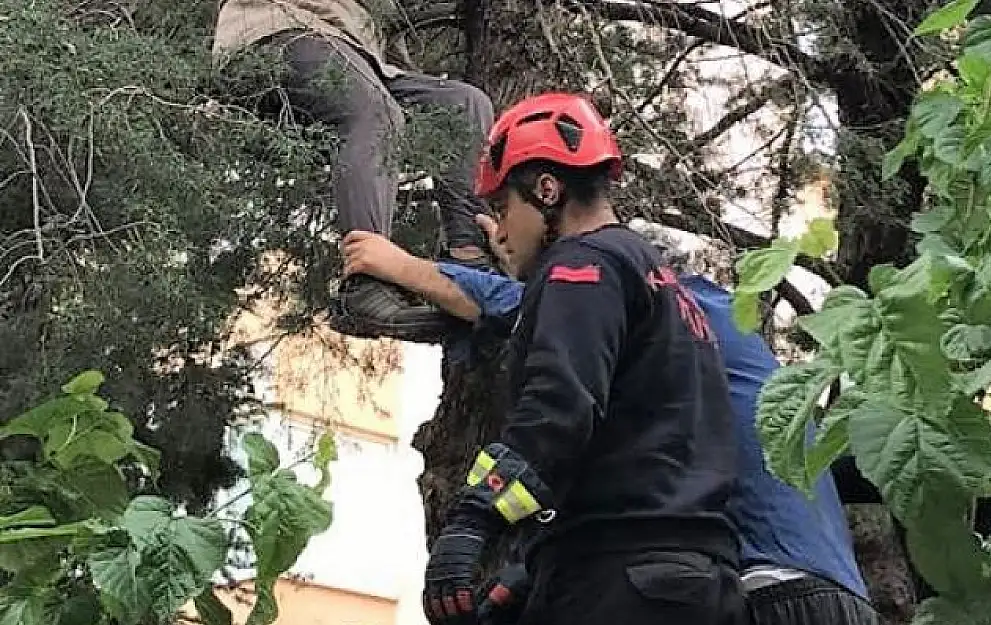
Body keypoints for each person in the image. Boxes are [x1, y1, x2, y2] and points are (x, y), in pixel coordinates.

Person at [343, 216, 881, 625]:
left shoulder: (655, 307)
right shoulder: (728, 332)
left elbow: (533, 306)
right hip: (841, 594)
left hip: (766, 588)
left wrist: (397, 263)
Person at [387, 92, 747, 625]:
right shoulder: (662, 282)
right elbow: (640, 448)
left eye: (502, 208)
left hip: (620, 578)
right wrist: (528, 569)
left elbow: (558, 409)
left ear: (546, 189)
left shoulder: (582, 266)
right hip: (697, 582)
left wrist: (472, 518)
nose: (501, 233)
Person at [211, 0, 495, 342]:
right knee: (378, 114)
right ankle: (366, 283)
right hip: (275, 29)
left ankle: (467, 263)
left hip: (357, 54)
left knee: (463, 105)